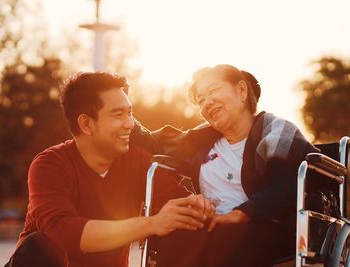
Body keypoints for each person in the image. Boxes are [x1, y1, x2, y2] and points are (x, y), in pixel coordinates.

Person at [4, 72, 215, 267]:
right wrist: (152, 223)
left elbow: (175, 202)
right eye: (118, 115)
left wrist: (197, 205)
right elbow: (68, 233)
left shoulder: (139, 161)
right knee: (36, 246)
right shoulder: (49, 165)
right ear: (86, 125)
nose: (130, 124)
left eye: (130, 113)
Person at [133, 64, 319, 267]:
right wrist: (124, 115)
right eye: (200, 100)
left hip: (264, 224)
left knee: (228, 237)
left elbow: (285, 186)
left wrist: (239, 215)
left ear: (241, 91)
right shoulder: (201, 140)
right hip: (211, 226)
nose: (207, 103)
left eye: (212, 91)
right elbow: (155, 144)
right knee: (176, 233)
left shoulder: (275, 130)